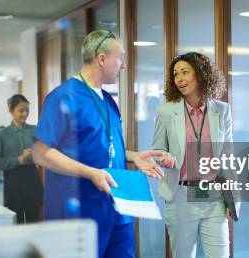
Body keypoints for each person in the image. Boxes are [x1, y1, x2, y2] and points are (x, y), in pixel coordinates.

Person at [32, 30, 170, 258]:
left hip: (118, 209)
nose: (124, 65)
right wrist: (90, 173)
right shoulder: (63, 97)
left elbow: (101, 147)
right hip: (82, 214)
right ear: (102, 58)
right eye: (120, 57)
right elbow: (41, 153)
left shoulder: (108, 101)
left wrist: (133, 156)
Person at [152, 52, 239, 258]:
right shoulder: (166, 112)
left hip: (214, 197)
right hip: (180, 196)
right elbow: (157, 150)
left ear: (200, 75)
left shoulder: (222, 110)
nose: (179, 79)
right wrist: (164, 157)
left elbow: (228, 157)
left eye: (185, 72)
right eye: (175, 74)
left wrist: (233, 199)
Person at [0, 94, 43, 223]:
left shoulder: (34, 130)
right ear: (11, 111)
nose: (25, 114)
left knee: (33, 224)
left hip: (32, 182)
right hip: (13, 184)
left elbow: (44, 155)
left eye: (27, 111)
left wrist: (33, 156)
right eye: (21, 110)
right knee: (16, 224)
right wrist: (17, 160)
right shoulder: (2, 134)